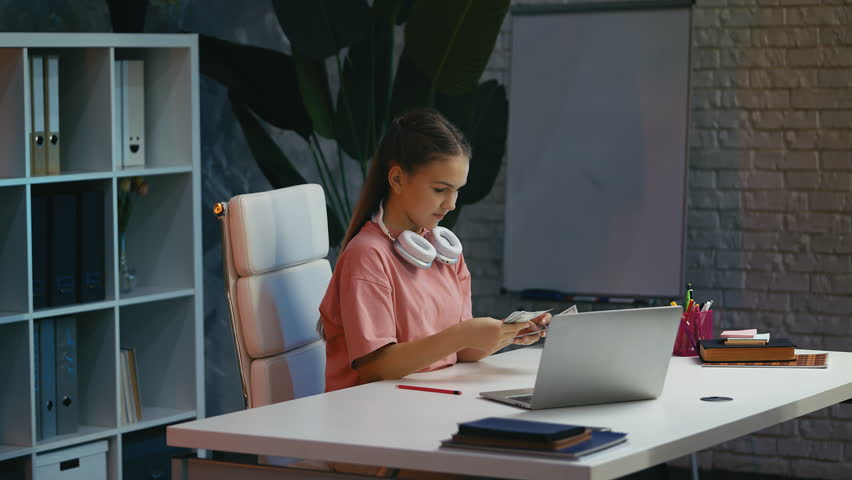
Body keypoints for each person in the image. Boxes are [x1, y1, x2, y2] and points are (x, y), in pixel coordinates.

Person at [318, 108, 550, 394]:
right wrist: (462, 334)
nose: (451, 204)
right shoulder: (366, 255)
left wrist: (506, 332)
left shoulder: (445, 252)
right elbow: (375, 368)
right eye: (441, 189)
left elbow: (462, 352)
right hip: (370, 410)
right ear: (398, 179)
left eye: (457, 191)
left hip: (428, 402)